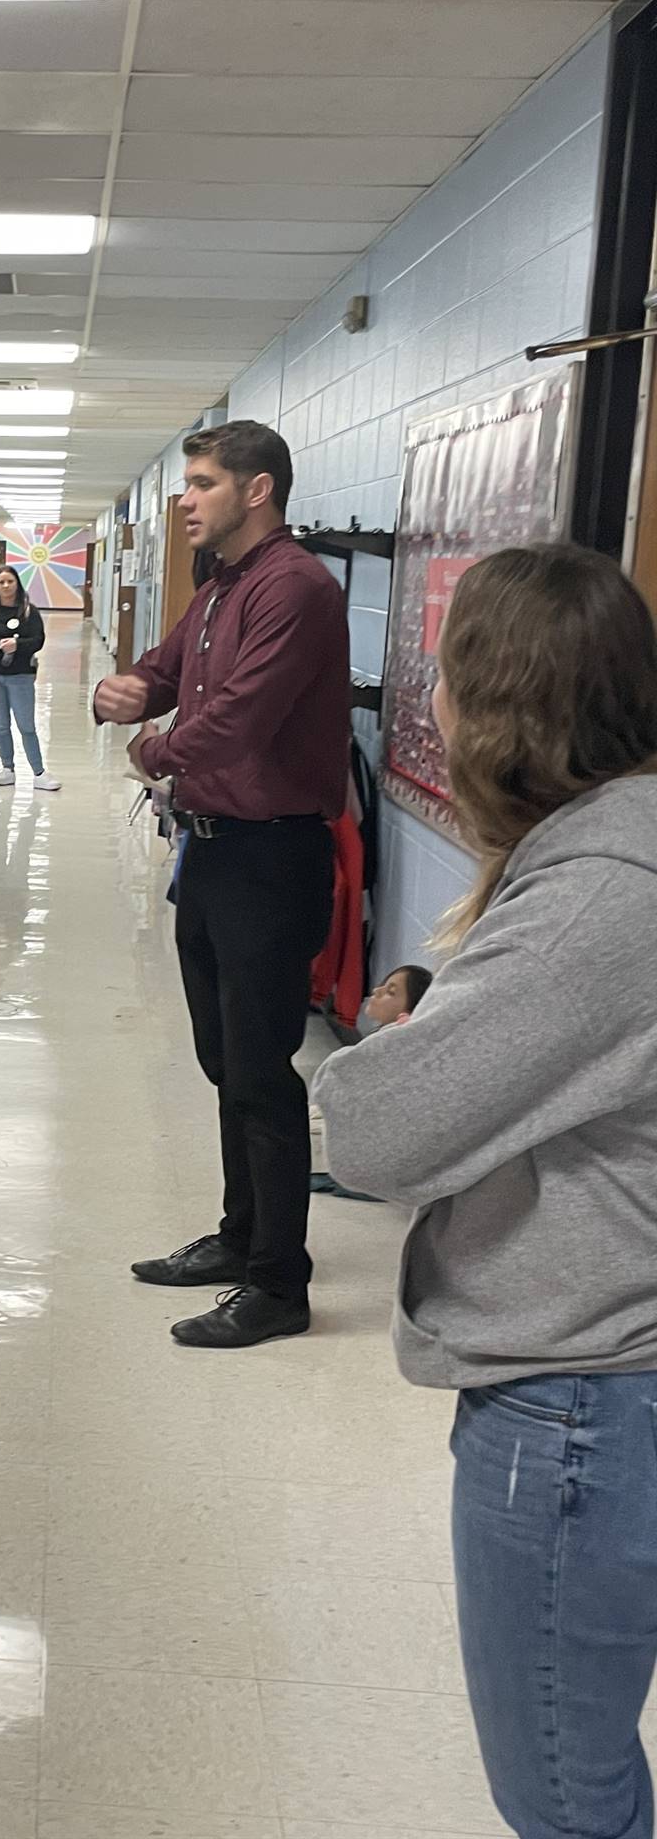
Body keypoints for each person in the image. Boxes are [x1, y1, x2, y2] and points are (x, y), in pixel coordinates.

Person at [313, 544, 657, 1839]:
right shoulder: (615, 847)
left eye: (446, 677)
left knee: (567, 1800)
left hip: (582, 1399)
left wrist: (393, 1047)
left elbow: (382, 1135)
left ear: (490, 706)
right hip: (616, 1375)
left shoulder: (598, 899)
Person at [96, 420, 349, 1351]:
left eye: (202, 483)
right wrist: (120, 693)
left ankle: (281, 1283)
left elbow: (239, 720)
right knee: (221, 1062)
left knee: (259, 1072)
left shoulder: (297, 590)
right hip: (210, 852)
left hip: (269, 857)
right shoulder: (219, 588)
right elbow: (163, 673)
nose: (186, 500)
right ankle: (242, 1238)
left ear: (258, 489)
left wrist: (151, 750)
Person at [310, 963, 432, 1200]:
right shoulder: (388, 1039)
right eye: (383, 986)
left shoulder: (399, 1041)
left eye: (391, 992)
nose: (377, 991)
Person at [0, 566, 60, 792]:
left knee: (26, 726)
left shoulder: (29, 612)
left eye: (9, 581)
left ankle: (39, 772)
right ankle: (7, 768)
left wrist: (17, 645)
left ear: (17, 584)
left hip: (20, 676)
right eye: (1, 582)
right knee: (2, 725)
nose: (5, 586)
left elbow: (38, 640)